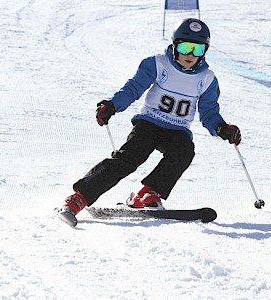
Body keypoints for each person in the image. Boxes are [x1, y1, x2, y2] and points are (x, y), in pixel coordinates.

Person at [57, 18, 241, 225]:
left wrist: (221, 128)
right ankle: (78, 199)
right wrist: (113, 105)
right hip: (149, 124)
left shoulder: (207, 79)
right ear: (174, 45)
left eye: (197, 49)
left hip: (177, 131)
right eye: (185, 47)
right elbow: (133, 88)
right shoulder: (157, 63)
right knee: (130, 158)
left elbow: (209, 113)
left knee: (184, 151)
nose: (190, 54)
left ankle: (147, 194)